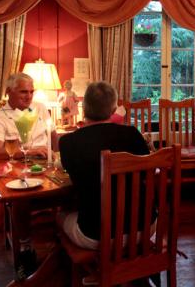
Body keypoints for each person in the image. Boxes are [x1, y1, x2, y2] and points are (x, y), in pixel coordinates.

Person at [59, 81, 150, 250]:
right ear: (114, 110)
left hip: (97, 234)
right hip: (145, 226)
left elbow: (71, 175)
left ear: (84, 108)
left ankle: (78, 269)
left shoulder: (68, 142)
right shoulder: (133, 135)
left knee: (60, 214)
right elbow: (146, 174)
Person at [0, 73, 51, 160]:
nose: (29, 97)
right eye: (23, 92)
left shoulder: (40, 107)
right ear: (8, 91)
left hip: (45, 161)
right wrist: (29, 152)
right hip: (16, 166)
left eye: (31, 92)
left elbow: (54, 137)